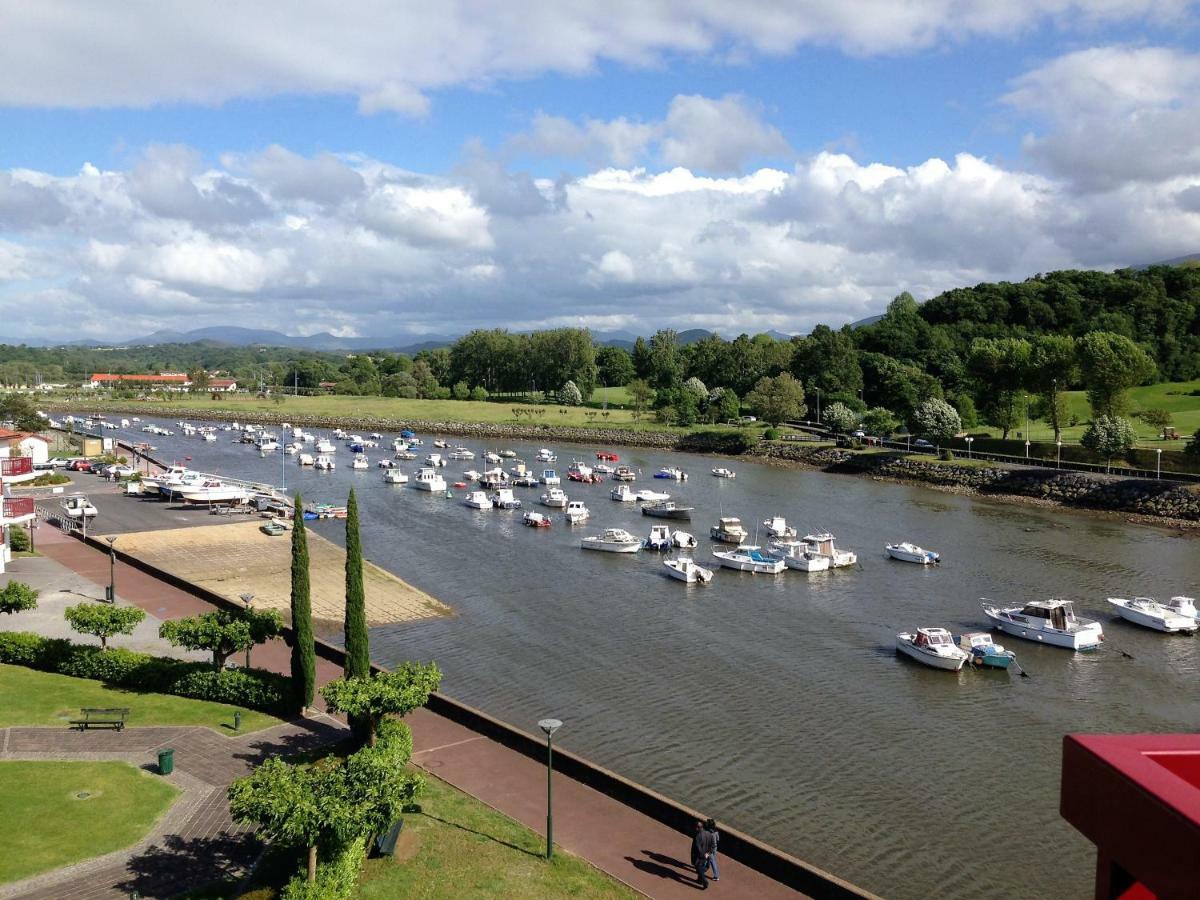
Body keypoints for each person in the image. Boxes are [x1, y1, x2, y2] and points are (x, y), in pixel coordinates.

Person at [691, 820, 716, 888]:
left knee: (698, 868)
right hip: (706, 854)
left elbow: (698, 849)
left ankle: (705, 881)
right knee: (701, 867)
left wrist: (702, 855)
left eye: (695, 827)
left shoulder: (697, 836)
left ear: (698, 828)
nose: (694, 829)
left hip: (699, 856)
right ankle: (699, 880)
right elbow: (713, 845)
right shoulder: (709, 834)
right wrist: (708, 854)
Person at [704, 817, 720, 881]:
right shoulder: (716, 831)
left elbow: (710, 842)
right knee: (710, 859)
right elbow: (718, 839)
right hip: (715, 848)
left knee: (712, 861)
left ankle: (716, 876)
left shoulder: (710, 833)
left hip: (710, 848)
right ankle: (706, 867)